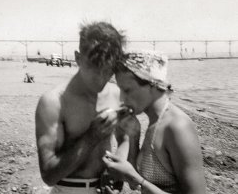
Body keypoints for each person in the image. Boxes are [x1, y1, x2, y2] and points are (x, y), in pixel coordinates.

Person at [35, 22, 140, 194]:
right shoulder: (53, 102)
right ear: (77, 58)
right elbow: (48, 175)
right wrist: (91, 137)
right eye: (94, 68)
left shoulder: (116, 94)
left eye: (108, 70)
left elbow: (124, 140)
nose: (100, 79)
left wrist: (114, 171)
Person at [103, 50, 206, 194]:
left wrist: (134, 178)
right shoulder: (155, 122)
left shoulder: (177, 126)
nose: (122, 98)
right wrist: (132, 136)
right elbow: (136, 184)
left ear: (152, 85)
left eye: (127, 90)